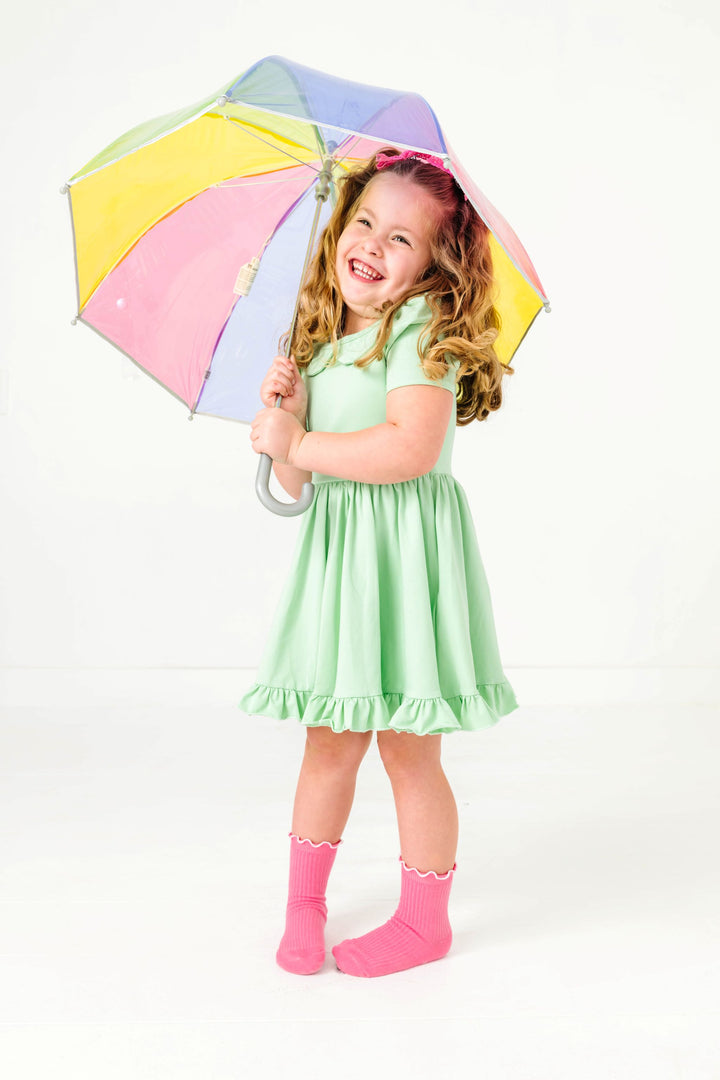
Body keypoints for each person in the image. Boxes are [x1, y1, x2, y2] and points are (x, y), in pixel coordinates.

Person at [240, 147, 518, 978]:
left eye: (401, 238)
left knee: (406, 746)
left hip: (404, 565)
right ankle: (303, 907)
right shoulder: (320, 341)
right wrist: (283, 424)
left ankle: (425, 922)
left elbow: (408, 447)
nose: (371, 242)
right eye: (363, 221)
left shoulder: (420, 329)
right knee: (327, 740)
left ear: (435, 264)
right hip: (342, 565)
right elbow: (293, 484)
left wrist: (307, 440)